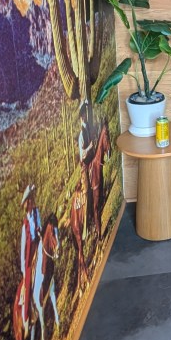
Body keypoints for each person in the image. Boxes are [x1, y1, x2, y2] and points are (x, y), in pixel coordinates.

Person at [20, 185, 41, 325]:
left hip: (38, 244)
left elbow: (40, 225)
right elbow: (23, 248)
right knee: (28, 281)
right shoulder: (25, 225)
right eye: (30, 201)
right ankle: (27, 314)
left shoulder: (36, 213)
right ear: (26, 204)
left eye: (32, 199)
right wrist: (23, 266)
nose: (32, 202)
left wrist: (40, 231)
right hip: (29, 253)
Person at [78, 100, 95, 239]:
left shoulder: (88, 127)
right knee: (87, 191)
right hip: (84, 164)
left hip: (91, 159)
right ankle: (85, 228)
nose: (85, 116)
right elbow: (83, 153)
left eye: (85, 113)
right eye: (83, 113)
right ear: (81, 116)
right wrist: (90, 146)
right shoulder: (80, 135)